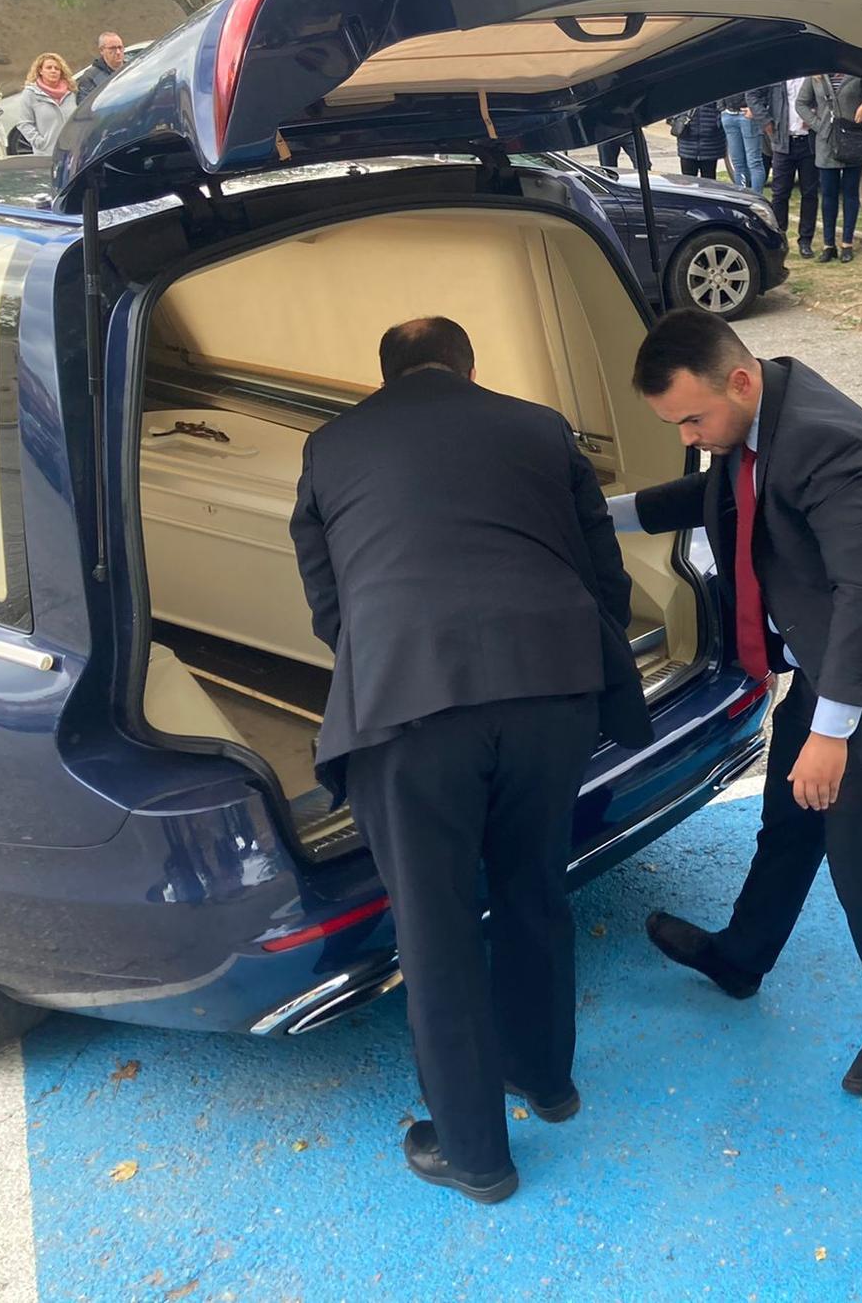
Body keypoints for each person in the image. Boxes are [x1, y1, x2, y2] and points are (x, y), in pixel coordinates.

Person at [289, 317, 650, 1204]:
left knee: (437, 927)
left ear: (385, 376)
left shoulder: (331, 447)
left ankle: (476, 1155)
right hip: (552, 686)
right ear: (468, 365)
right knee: (533, 886)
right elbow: (602, 570)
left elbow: (328, 605)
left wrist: (395, 653)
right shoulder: (537, 426)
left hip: (411, 707)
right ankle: (547, 1080)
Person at [626, 311, 862, 1098]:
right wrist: (604, 516)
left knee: (859, 853)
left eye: (692, 418)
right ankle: (743, 959)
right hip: (834, 663)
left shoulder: (823, 440)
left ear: (737, 381)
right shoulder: (756, 410)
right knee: (789, 820)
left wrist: (832, 732)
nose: (690, 435)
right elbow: (717, 493)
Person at [798, 72, 862, 264]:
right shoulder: (816, 75)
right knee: (828, 194)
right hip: (826, 142)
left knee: (850, 192)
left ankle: (847, 243)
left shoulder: (857, 69)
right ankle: (829, 245)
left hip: (852, 138)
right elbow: (801, 103)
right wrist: (817, 125)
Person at [765, 77, 819, 259]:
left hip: (808, 142)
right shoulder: (778, 75)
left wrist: (814, 116)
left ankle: (805, 240)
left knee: (810, 193)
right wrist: (765, 120)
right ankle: (779, 239)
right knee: (779, 193)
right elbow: (753, 95)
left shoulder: (813, 75)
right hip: (783, 142)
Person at [1, 53, 77, 156]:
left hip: (71, 153)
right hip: (46, 154)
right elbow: (24, 123)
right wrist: (40, 143)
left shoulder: (71, 93)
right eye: (49, 68)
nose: (53, 71)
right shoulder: (30, 94)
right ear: (40, 71)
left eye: (57, 68)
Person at [718, 88, 772, 194]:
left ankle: (756, 198)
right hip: (728, 114)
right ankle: (742, 198)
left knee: (754, 161)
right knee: (738, 163)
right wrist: (721, 107)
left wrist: (755, 109)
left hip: (747, 115)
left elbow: (765, 89)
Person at [670, 101, 726, 180]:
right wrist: (678, 119)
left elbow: (722, 106)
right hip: (687, 140)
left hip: (710, 142)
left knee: (708, 182)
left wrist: (717, 122)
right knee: (688, 181)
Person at [74, 31, 126, 103]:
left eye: (120, 47)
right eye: (112, 48)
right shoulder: (90, 78)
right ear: (102, 50)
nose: (118, 52)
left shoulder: (132, 69)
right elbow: (85, 108)